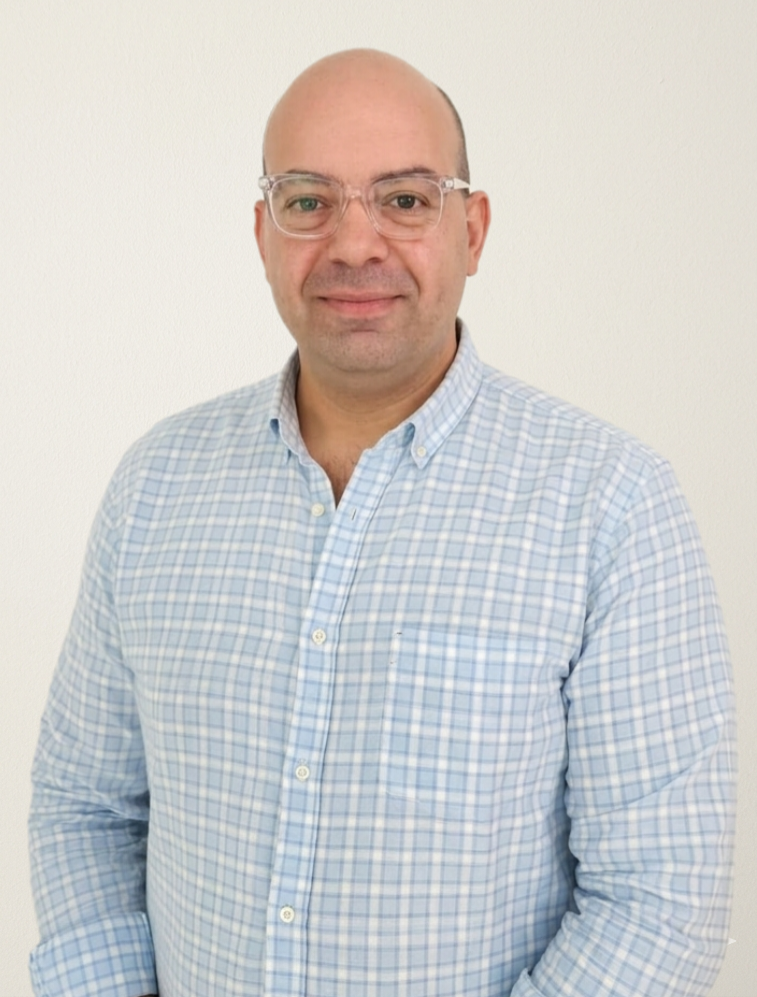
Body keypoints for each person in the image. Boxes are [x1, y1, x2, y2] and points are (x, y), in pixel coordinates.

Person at [29, 48, 736, 997]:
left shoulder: (609, 506)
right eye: (308, 200)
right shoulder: (155, 486)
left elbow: (659, 901)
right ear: (263, 233)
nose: (354, 243)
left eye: (404, 199)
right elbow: (85, 806)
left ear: (471, 230)